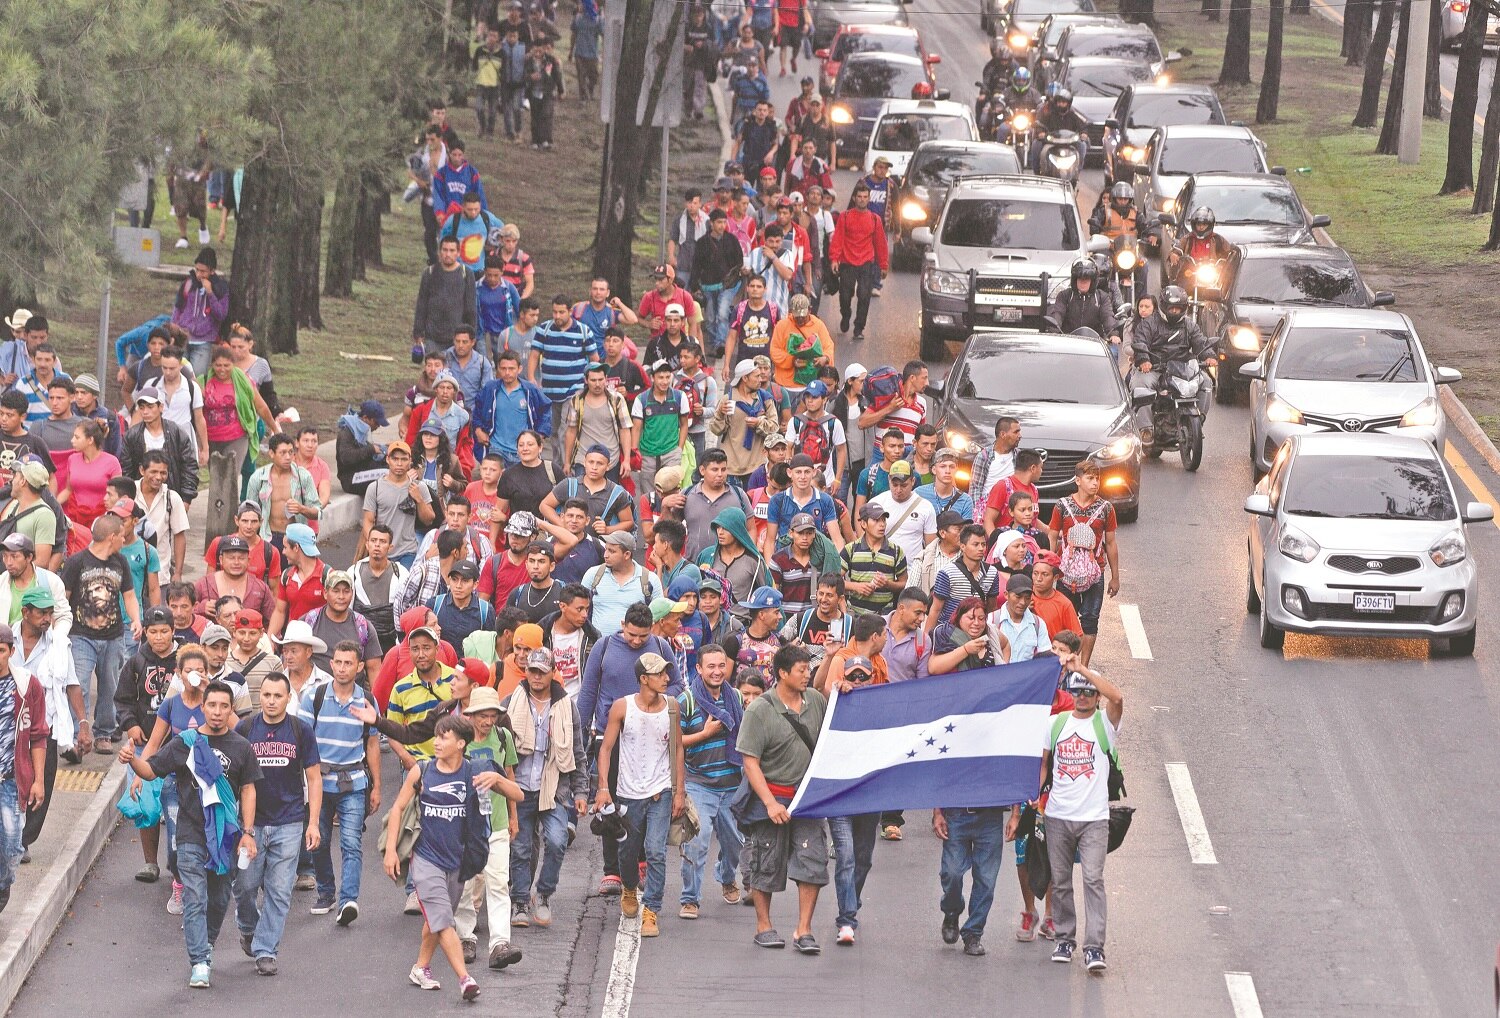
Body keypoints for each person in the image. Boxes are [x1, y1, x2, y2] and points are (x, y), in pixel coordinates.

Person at [119, 681, 259, 989]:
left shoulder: (241, 746)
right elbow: (151, 770)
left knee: (219, 899)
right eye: (212, 705)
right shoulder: (186, 742)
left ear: (231, 710)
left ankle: (206, 943)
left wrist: (248, 832)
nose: (218, 712)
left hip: (225, 838)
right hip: (190, 834)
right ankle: (199, 961)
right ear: (203, 707)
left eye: (224, 706)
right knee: (195, 897)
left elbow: (248, 789)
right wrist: (132, 760)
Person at [1017, 655, 1125, 972]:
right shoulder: (1056, 724)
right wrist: (1034, 795)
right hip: (1058, 816)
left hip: (1094, 819)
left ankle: (1094, 948)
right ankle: (1065, 939)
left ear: (1097, 696)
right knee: (1061, 881)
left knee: (1092, 879)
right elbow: (1043, 764)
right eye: (1077, 691)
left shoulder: (1105, 723)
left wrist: (1082, 670)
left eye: (1089, 692)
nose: (1082, 697)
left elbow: (1118, 698)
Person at [381, 715, 488, 1001]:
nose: (437, 742)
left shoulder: (472, 774)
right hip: (425, 859)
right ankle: (465, 979)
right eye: (436, 736)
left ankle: (420, 967)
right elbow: (398, 808)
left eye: (444, 737)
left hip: (457, 862)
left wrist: (499, 782)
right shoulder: (422, 770)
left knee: (437, 919)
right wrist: (391, 850)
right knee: (443, 920)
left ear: (461, 743)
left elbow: (511, 795)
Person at [736, 644, 826, 952]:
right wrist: (770, 803)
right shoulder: (759, 710)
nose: (807, 675)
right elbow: (750, 762)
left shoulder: (815, 700)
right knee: (765, 862)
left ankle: (804, 930)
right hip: (772, 797)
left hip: (807, 800)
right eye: (801, 670)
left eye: (808, 669)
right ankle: (764, 926)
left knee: (813, 862)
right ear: (783, 673)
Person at [232, 672, 320, 976]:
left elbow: (314, 777)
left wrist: (313, 823)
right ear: (260, 697)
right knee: (245, 886)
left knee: (280, 890)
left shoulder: (300, 730)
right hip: (251, 824)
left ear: (288, 698)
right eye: (266, 695)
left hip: (289, 821)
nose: (271, 701)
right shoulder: (245, 729)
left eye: (278, 696)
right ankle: (248, 927)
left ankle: (266, 950)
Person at [594, 651, 686, 939]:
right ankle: (630, 888)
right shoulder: (622, 707)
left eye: (666, 673)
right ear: (644, 679)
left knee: (656, 851)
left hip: (661, 790)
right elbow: (606, 748)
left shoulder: (672, 707)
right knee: (628, 851)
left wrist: (679, 792)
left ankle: (652, 910)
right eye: (659, 674)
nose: (666, 678)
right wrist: (603, 788)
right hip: (628, 792)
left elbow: (678, 748)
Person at [504, 648, 588, 932]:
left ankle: (543, 894)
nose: (536, 677)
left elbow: (578, 752)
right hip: (519, 788)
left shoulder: (566, 707)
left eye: (542, 671)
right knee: (520, 848)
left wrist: (581, 792)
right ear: (526, 672)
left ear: (553, 673)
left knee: (557, 840)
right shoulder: (511, 702)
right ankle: (519, 901)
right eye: (532, 671)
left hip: (553, 790)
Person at [301, 640, 381, 926]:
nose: (343, 668)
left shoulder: (367, 700)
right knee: (318, 840)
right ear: (332, 664)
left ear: (359, 667)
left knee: (350, 842)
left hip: (354, 782)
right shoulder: (314, 697)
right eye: (338, 662)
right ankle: (326, 892)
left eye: (349, 663)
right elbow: (302, 740)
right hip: (319, 783)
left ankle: (348, 900)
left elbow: (372, 745)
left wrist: (377, 786)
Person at [62, 514, 140, 755]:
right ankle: (77, 735)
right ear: (112, 537)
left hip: (113, 636)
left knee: (110, 686)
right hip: (80, 635)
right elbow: (64, 597)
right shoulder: (76, 562)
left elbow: (129, 595)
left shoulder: (120, 562)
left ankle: (104, 732)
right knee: (79, 684)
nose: (124, 541)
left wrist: (136, 619)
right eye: (122, 537)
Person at [16, 587, 85, 857]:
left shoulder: (58, 644)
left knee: (41, 781)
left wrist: (83, 723)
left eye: (50, 613)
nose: (47, 618)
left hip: (45, 727)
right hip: (9, 727)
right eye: (41, 613)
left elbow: (72, 684)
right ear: (25, 613)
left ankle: (23, 841)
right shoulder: (6, 640)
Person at [1046, 461, 1119, 666]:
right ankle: (1064, 662)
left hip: (1095, 573)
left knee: (1090, 619)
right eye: (1090, 478)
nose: (1095, 483)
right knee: (1065, 617)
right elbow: (1053, 536)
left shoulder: (1106, 508)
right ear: (1078, 481)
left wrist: (1115, 577)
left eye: (1097, 479)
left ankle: (1082, 666)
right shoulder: (1062, 506)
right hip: (1065, 573)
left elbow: (1111, 543)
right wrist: (1050, 567)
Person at [530, 297, 602, 460]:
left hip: (573, 390)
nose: (557, 316)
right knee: (553, 430)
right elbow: (534, 355)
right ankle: (558, 463)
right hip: (549, 391)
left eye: (561, 312)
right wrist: (531, 378)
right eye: (554, 312)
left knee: (566, 429)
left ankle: (565, 465)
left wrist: (593, 383)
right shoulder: (544, 329)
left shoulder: (583, 331)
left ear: (570, 311)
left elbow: (594, 359)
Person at [360, 442, 436, 569]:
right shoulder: (375, 488)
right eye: (395, 459)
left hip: (408, 552)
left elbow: (429, 520)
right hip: (382, 553)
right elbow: (368, 521)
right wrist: (374, 544)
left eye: (404, 459)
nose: (399, 464)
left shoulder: (419, 487)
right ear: (388, 460)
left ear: (410, 461)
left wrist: (419, 499)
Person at [120, 387, 200, 506]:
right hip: (140, 499)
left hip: (172, 497)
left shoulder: (176, 433)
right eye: (142, 408)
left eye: (150, 407)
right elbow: (126, 470)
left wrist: (186, 499)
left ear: (160, 407)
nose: (145, 412)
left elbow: (189, 467)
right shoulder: (132, 436)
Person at [473, 351, 552, 466]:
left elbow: (546, 410)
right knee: (494, 476)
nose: (507, 372)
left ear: (519, 369)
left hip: (522, 450)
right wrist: (478, 430)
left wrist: (540, 435)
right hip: (496, 448)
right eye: (503, 368)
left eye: (511, 369)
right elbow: (477, 411)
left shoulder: (530, 390)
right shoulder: (490, 389)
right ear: (498, 369)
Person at [579, 533, 662, 638]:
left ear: (627, 554)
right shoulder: (593, 574)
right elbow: (578, 608)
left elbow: (659, 617)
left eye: (612, 551)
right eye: (606, 549)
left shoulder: (650, 580)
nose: (605, 555)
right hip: (598, 644)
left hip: (635, 645)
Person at [413, 238, 479, 357]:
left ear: (458, 253)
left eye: (452, 250)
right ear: (439, 252)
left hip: (457, 337)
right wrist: (418, 332)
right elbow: (422, 304)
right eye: (445, 250)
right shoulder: (429, 273)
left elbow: (471, 307)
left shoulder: (466, 274)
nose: (448, 254)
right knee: (434, 367)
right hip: (432, 336)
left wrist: (471, 334)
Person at [170, 249, 229, 377]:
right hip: (183, 337)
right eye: (197, 270)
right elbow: (178, 307)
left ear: (212, 271)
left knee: (197, 378)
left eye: (203, 271)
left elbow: (221, 314)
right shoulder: (188, 283)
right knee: (177, 375)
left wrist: (210, 293)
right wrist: (174, 326)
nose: (199, 274)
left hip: (204, 340)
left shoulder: (220, 288)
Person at [867, 460, 937, 568]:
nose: (898, 490)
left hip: (913, 570)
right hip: (880, 569)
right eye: (894, 485)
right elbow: (867, 539)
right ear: (889, 480)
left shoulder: (925, 507)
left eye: (904, 485)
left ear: (913, 481)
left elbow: (931, 547)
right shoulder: (876, 503)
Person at [929, 525, 1000, 628]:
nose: (981, 549)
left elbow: (992, 608)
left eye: (983, 544)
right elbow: (936, 609)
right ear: (962, 546)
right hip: (951, 630)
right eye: (975, 544)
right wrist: (927, 636)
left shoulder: (992, 572)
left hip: (977, 628)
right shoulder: (947, 572)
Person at [135, 452, 190, 582]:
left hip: (161, 574)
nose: (159, 477)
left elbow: (179, 536)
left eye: (163, 473)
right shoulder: (129, 493)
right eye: (153, 472)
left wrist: (178, 573)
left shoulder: (172, 498)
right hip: (131, 574)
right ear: (142, 470)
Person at [967, 417, 1022, 521]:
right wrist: (978, 515)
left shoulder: (1019, 456)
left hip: (1012, 511)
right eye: (1016, 432)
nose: (1020, 436)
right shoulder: (984, 456)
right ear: (1003, 434)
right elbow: (975, 488)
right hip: (988, 509)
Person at [1167, 206, 1233, 286]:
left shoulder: (1217, 239)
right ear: (1194, 225)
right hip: (1189, 272)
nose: (1201, 227)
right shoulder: (1188, 238)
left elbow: (1230, 253)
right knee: (1179, 286)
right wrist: (1174, 254)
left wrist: (1224, 263)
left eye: (1204, 224)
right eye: (1198, 224)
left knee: (1225, 285)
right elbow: (1178, 247)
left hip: (1212, 273)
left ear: (1210, 225)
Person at [984, 448, 1043, 532]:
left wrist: (1052, 531)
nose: (1041, 471)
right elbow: (988, 520)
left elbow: (1033, 520)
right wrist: (996, 539)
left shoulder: (1034, 489)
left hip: (1028, 539)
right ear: (1033, 468)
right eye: (1041, 467)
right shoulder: (1003, 486)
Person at [524, 38, 565, 150]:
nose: (538, 53)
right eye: (535, 50)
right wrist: (530, 77)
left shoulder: (550, 60)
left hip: (547, 92)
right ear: (532, 49)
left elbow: (557, 75)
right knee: (535, 117)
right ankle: (535, 140)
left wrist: (561, 91)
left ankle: (546, 140)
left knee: (546, 114)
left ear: (544, 49)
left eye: (540, 50)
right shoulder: (528, 61)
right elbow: (523, 75)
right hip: (533, 92)